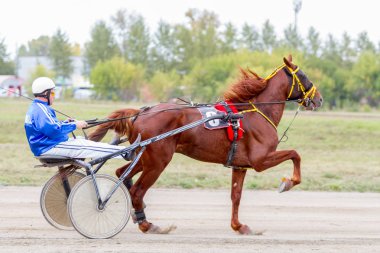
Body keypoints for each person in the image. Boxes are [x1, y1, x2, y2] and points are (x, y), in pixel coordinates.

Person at [24, 77, 126, 159]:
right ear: (46, 93)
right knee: (88, 146)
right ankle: (125, 153)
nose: (54, 96)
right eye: (53, 93)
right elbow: (54, 130)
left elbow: (50, 127)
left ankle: (119, 151)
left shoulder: (36, 107)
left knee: (83, 141)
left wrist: (66, 123)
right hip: (49, 146)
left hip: (46, 145)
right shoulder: (41, 109)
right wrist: (75, 125)